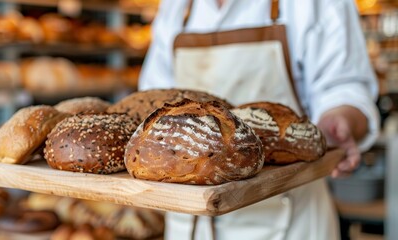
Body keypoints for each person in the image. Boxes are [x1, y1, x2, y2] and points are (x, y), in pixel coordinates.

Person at [138, 0, 380, 239]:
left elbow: (345, 87)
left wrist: (339, 119)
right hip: (187, 225)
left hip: (290, 223)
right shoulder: (177, 7)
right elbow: (154, 100)